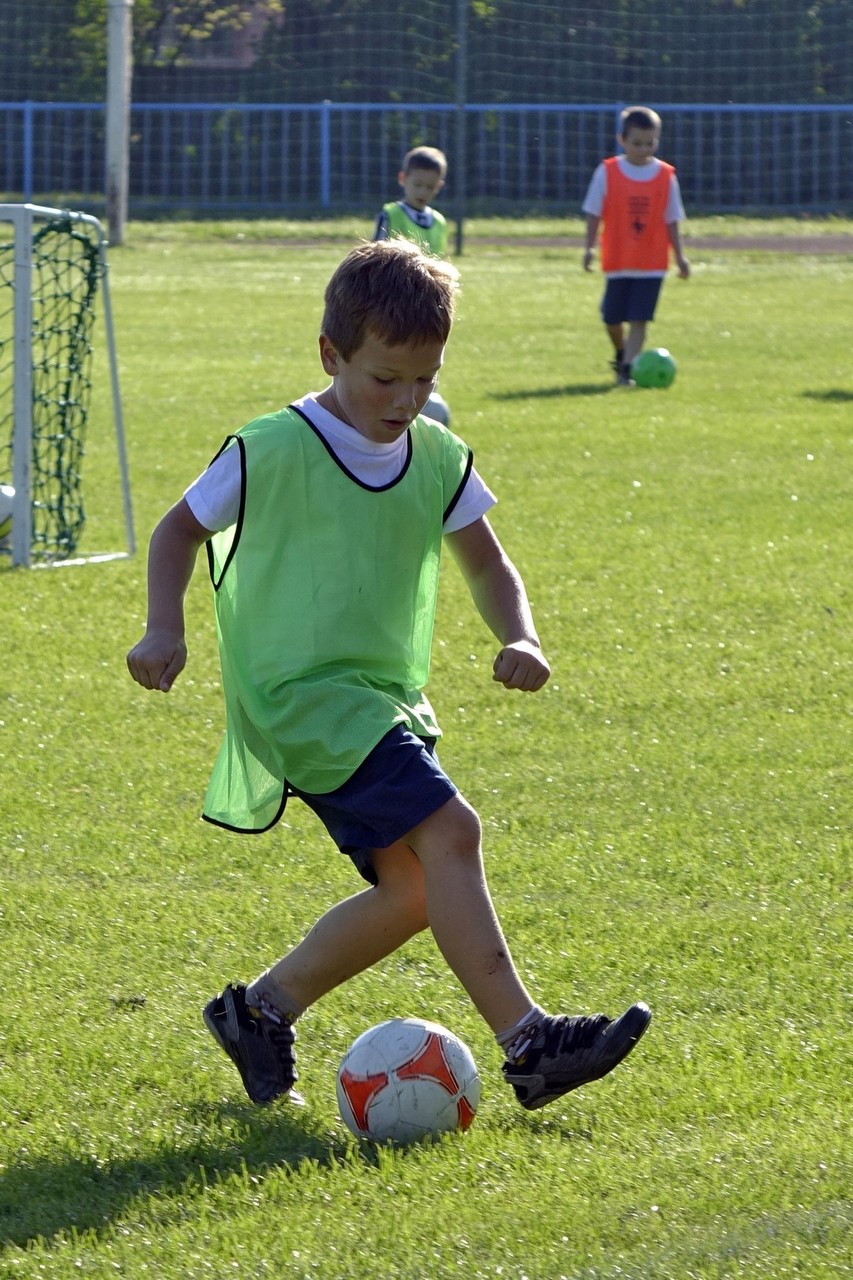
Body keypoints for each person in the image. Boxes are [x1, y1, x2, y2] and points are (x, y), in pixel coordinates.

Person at [126, 238, 651, 1114]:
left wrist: (521, 635)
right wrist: (162, 626)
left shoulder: (437, 454)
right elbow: (177, 529)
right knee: (453, 830)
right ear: (329, 355)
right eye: (385, 378)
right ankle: (529, 1044)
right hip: (300, 696)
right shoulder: (271, 447)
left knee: (414, 891)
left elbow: (488, 563)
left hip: (383, 699)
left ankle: (260, 1011)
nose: (405, 400)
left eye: (424, 379)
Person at [582, 105, 690, 386]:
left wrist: (680, 257)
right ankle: (622, 352)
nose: (644, 149)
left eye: (650, 143)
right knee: (611, 318)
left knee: (639, 319)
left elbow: (672, 219)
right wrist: (589, 248)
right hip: (618, 260)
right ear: (622, 140)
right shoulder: (607, 172)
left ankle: (627, 370)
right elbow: (593, 213)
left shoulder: (666, 175)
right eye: (637, 143)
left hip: (652, 263)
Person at [373, 145, 449, 257]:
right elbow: (375, 258)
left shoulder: (439, 221)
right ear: (402, 178)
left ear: (439, 186)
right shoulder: (390, 215)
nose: (423, 192)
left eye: (430, 187)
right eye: (418, 185)